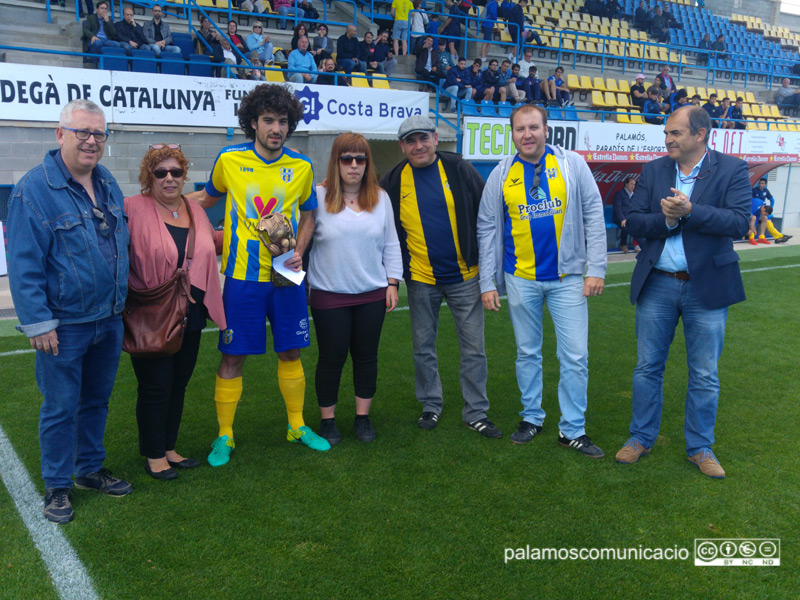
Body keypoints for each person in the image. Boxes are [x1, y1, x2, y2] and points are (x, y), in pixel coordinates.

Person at [7, 99, 132, 524]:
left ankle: (89, 470)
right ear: (60, 134)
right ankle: (57, 486)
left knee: (96, 401)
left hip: (108, 318)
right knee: (60, 406)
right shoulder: (33, 190)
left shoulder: (108, 181)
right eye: (82, 132)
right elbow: (24, 264)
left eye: (99, 133)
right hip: (65, 324)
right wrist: (39, 322)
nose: (91, 141)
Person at [192, 84, 330, 466]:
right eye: (268, 120)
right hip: (241, 277)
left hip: (287, 273)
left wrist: (299, 250)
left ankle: (297, 425)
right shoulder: (229, 159)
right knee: (233, 356)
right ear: (252, 122)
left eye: (283, 121)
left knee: (291, 349)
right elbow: (207, 199)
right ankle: (225, 435)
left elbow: (308, 213)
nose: (276, 129)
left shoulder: (301, 167)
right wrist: (157, 204)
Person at [615, 107, 751, 478]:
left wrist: (691, 211)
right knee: (647, 368)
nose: (668, 140)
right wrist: (669, 219)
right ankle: (641, 437)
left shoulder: (732, 168)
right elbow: (634, 219)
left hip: (706, 285)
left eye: (675, 133)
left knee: (705, 374)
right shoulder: (654, 169)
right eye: (667, 134)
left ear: (700, 134)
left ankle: (699, 447)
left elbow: (739, 221)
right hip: (657, 282)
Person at [477, 105, 607, 457]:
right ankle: (531, 417)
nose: (527, 134)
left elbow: (594, 214)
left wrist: (596, 268)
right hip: (520, 278)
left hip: (568, 278)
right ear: (513, 134)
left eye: (533, 127)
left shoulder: (572, 164)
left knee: (575, 356)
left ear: (546, 129)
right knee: (527, 353)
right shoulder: (501, 172)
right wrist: (486, 282)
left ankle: (572, 429)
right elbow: (487, 226)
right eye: (520, 129)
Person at [379, 116, 501, 438]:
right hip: (421, 279)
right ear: (402, 147)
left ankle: (475, 412)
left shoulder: (459, 168)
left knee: (474, 348)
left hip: (467, 276)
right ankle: (430, 404)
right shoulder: (392, 181)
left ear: (435, 138)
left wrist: (489, 269)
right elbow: (372, 211)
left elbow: (487, 213)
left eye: (423, 138)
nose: (418, 146)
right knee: (423, 347)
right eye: (410, 141)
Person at [125, 144, 225, 480]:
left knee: (178, 383)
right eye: (160, 173)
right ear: (148, 176)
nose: (169, 179)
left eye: (176, 172)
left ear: (184, 175)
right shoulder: (133, 208)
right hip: (153, 311)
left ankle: (169, 447)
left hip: (191, 311)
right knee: (155, 386)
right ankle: (154, 455)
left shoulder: (194, 210)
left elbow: (212, 244)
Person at [308, 133, 402, 445]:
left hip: (371, 293)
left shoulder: (380, 198)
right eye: (346, 158)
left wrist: (392, 282)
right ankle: (328, 421)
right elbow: (298, 240)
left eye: (360, 159)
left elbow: (391, 243)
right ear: (336, 162)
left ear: (367, 163)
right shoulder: (317, 196)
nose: (353, 165)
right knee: (331, 358)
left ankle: (363, 418)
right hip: (328, 293)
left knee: (366, 357)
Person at [613, 176, 636, 253]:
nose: (633, 186)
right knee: (625, 226)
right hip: (619, 218)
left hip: (630, 218)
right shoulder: (619, 194)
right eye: (631, 184)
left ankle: (638, 245)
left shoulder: (634, 195)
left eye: (634, 184)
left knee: (640, 224)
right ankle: (623, 244)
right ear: (626, 184)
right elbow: (617, 208)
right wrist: (622, 219)